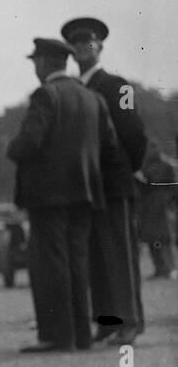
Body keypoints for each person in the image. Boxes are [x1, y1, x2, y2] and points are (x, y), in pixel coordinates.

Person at [6, 37, 120, 353]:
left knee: (50, 265)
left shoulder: (46, 95)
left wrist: (11, 148)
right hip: (84, 194)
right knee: (77, 263)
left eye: (35, 64)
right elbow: (109, 145)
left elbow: (28, 142)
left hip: (47, 196)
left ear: (43, 63)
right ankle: (81, 335)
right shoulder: (92, 98)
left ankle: (59, 335)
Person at [60, 17, 148, 343]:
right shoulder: (71, 90)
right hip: (85, 186)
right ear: (70, 50)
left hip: (113, 182)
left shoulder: (117, 85)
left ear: (100, 46)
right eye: (77, 43)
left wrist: (127, 170)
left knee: (119, 254)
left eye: (89, 41)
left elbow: (134, 134)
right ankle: (108, 321)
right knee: (96, 255)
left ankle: (130, 321)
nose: (83, 47)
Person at [137, 140, 177, 279]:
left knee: (160, 239)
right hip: (154, 207)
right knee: (157, 239)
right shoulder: (162, 167)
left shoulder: (152, 168)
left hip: (156, 207)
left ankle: (166, 267)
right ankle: (163, 267)